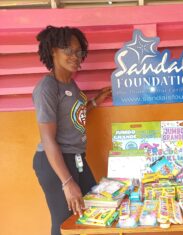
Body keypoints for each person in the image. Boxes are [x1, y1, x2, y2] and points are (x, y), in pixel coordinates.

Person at [32, 25, 111, 235]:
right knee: (64, 222)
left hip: (76, 158)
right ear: (52, 51)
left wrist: (94, 102)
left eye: (79, 52)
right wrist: (67, 182)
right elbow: (48, 139)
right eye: (68, 50)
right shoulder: (47, 88)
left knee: (92, 209)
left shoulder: (71, 86)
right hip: (55, 162)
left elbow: (72, 115)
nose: (75, 56)